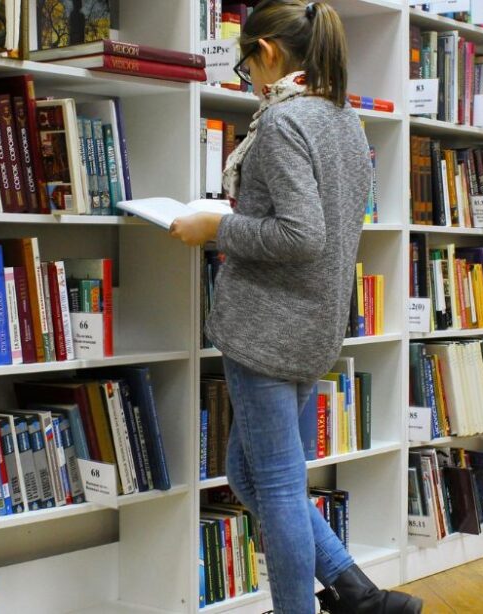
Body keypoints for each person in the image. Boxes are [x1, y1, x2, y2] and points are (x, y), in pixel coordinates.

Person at [169, 2, 423, 613]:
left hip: (266, 327)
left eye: (244, 62)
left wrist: (216, 227)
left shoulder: (283, 124)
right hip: (313, 324)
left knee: (277, 486)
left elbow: (300, 235)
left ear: (270, 53)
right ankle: (359, 594)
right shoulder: (343, 120)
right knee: (251, 476)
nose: (246, 77)